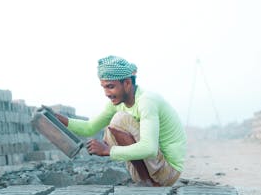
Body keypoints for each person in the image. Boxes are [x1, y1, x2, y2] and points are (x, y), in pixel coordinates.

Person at [54, 55, 186, 186]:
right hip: (150, 170)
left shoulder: (146, 101)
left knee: (119, 120)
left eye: (110, 86)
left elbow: (150, 149)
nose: (106, 93)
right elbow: (90, 128)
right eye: (104, 87)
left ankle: (148, 182)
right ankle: (145, 180)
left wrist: (107, 150)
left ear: (127, 83)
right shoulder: (117, 103)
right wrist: (60, 120)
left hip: (167, 172)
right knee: (110, 129)